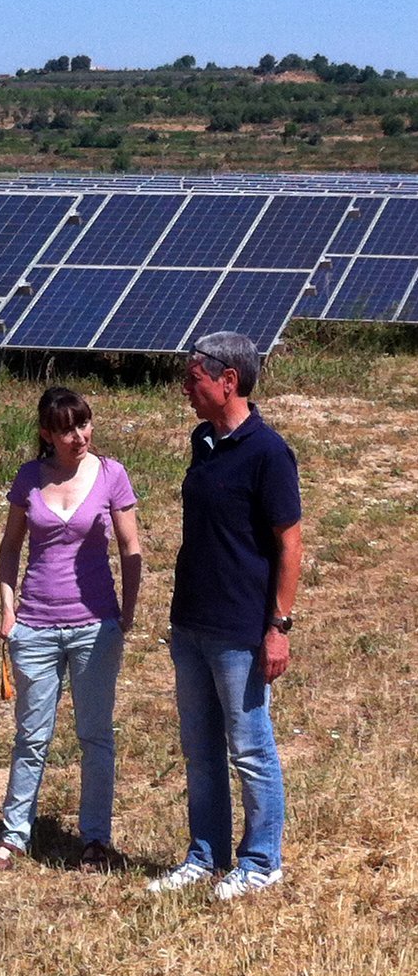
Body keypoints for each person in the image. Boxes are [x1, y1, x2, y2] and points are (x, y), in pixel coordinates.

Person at [149, 332, 301, 900]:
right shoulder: (203, 442)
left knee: (251, 748)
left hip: (241, 630)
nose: (186, 389)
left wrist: (277, 627)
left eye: (193, 378)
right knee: (200, 748)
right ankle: (205, 853)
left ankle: (261, 860)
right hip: (191, 622)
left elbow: (291, 544)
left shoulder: (269, 453)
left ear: (227, 380)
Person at [0, 387, 142, 871]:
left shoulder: (111, 474)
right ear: (46, 434)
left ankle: (95, 839)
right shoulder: (29, 478)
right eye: (69, 429)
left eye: (85, 424)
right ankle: (14, 837)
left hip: (95, 626)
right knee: (32, 737)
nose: (80, 436)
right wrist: (9, 610)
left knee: (95, 736)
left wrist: (127, 613)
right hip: (34, 626)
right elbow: (10, 547)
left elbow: (131, 549)